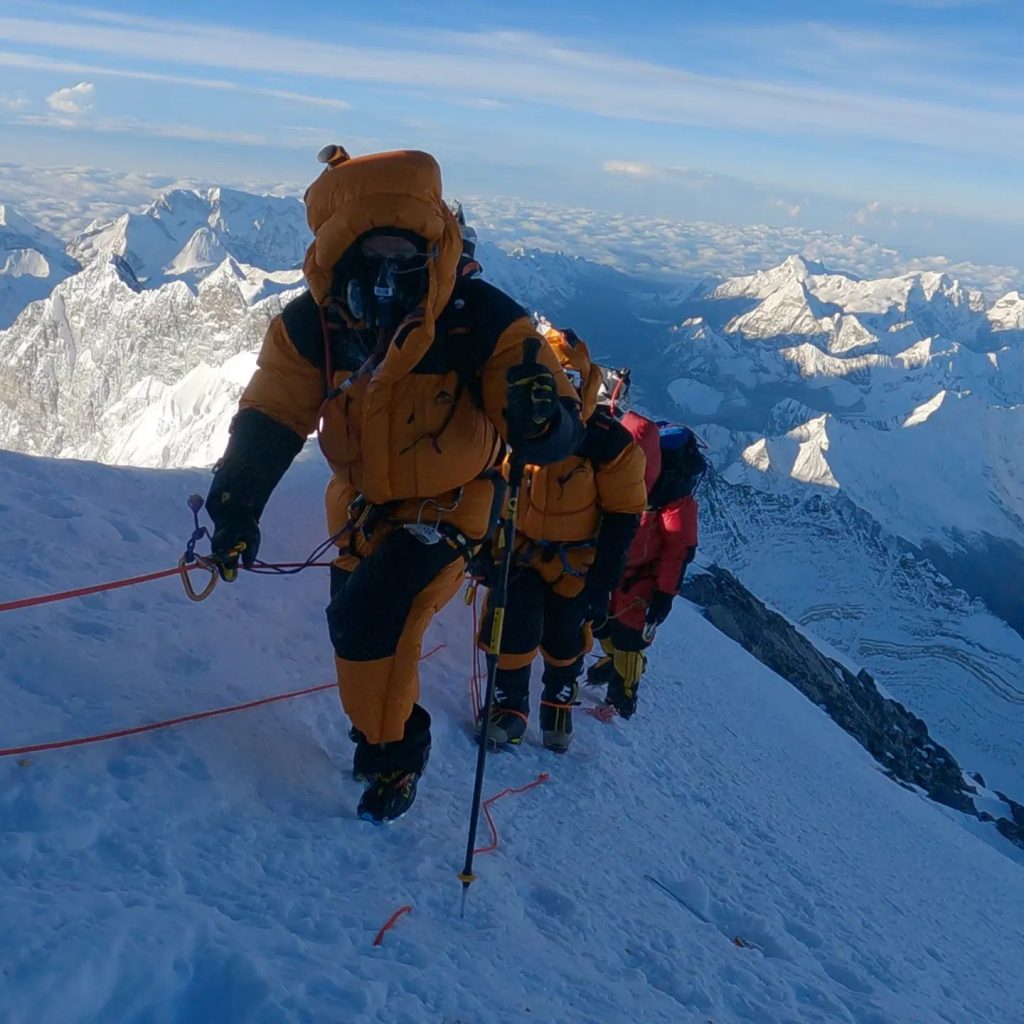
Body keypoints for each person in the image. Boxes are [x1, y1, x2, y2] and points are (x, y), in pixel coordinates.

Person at [204, 147, 584, 823]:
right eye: (370, 252)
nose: (384, 272)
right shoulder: (314, 324)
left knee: (370, 621)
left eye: (399, 252)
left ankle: (397, 753)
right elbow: (273, 414)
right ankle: (375, 736)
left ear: (430, 248)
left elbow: (552, 424)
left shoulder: (480, 320)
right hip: (357, 508)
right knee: (357, 629)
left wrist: (544, 420)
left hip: (453, 509)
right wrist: (236, 504)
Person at [473, 325, 647, 752]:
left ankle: (556, 706)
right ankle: (510, 708)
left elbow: (623, 518)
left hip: (576, 562)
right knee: (512, 623)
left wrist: (603, 583)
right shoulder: (509, 425)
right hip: (521, 551)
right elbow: (489, 485)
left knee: (565, 632)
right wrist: (482, 547)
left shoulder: (607, 443)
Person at [588, 418, 705, 718]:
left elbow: (677, 550)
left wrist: (664, 594)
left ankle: (622, 695)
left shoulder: (668, 495)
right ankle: (618, 662)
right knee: (602, 623)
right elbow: (679, 548)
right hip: (616, 569)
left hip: (641, 579)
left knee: (628, 637)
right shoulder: (664, 492)